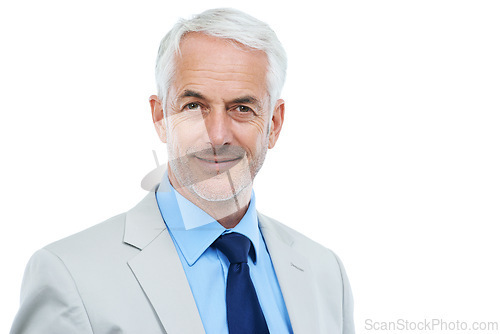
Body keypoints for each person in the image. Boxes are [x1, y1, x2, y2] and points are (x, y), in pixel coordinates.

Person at [11, 8, 354, 334]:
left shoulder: (325, 273)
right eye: (194, 106)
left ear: (274, 125)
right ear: (160, 117)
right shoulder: (70, 274)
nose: (217, 135)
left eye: (242, 107)